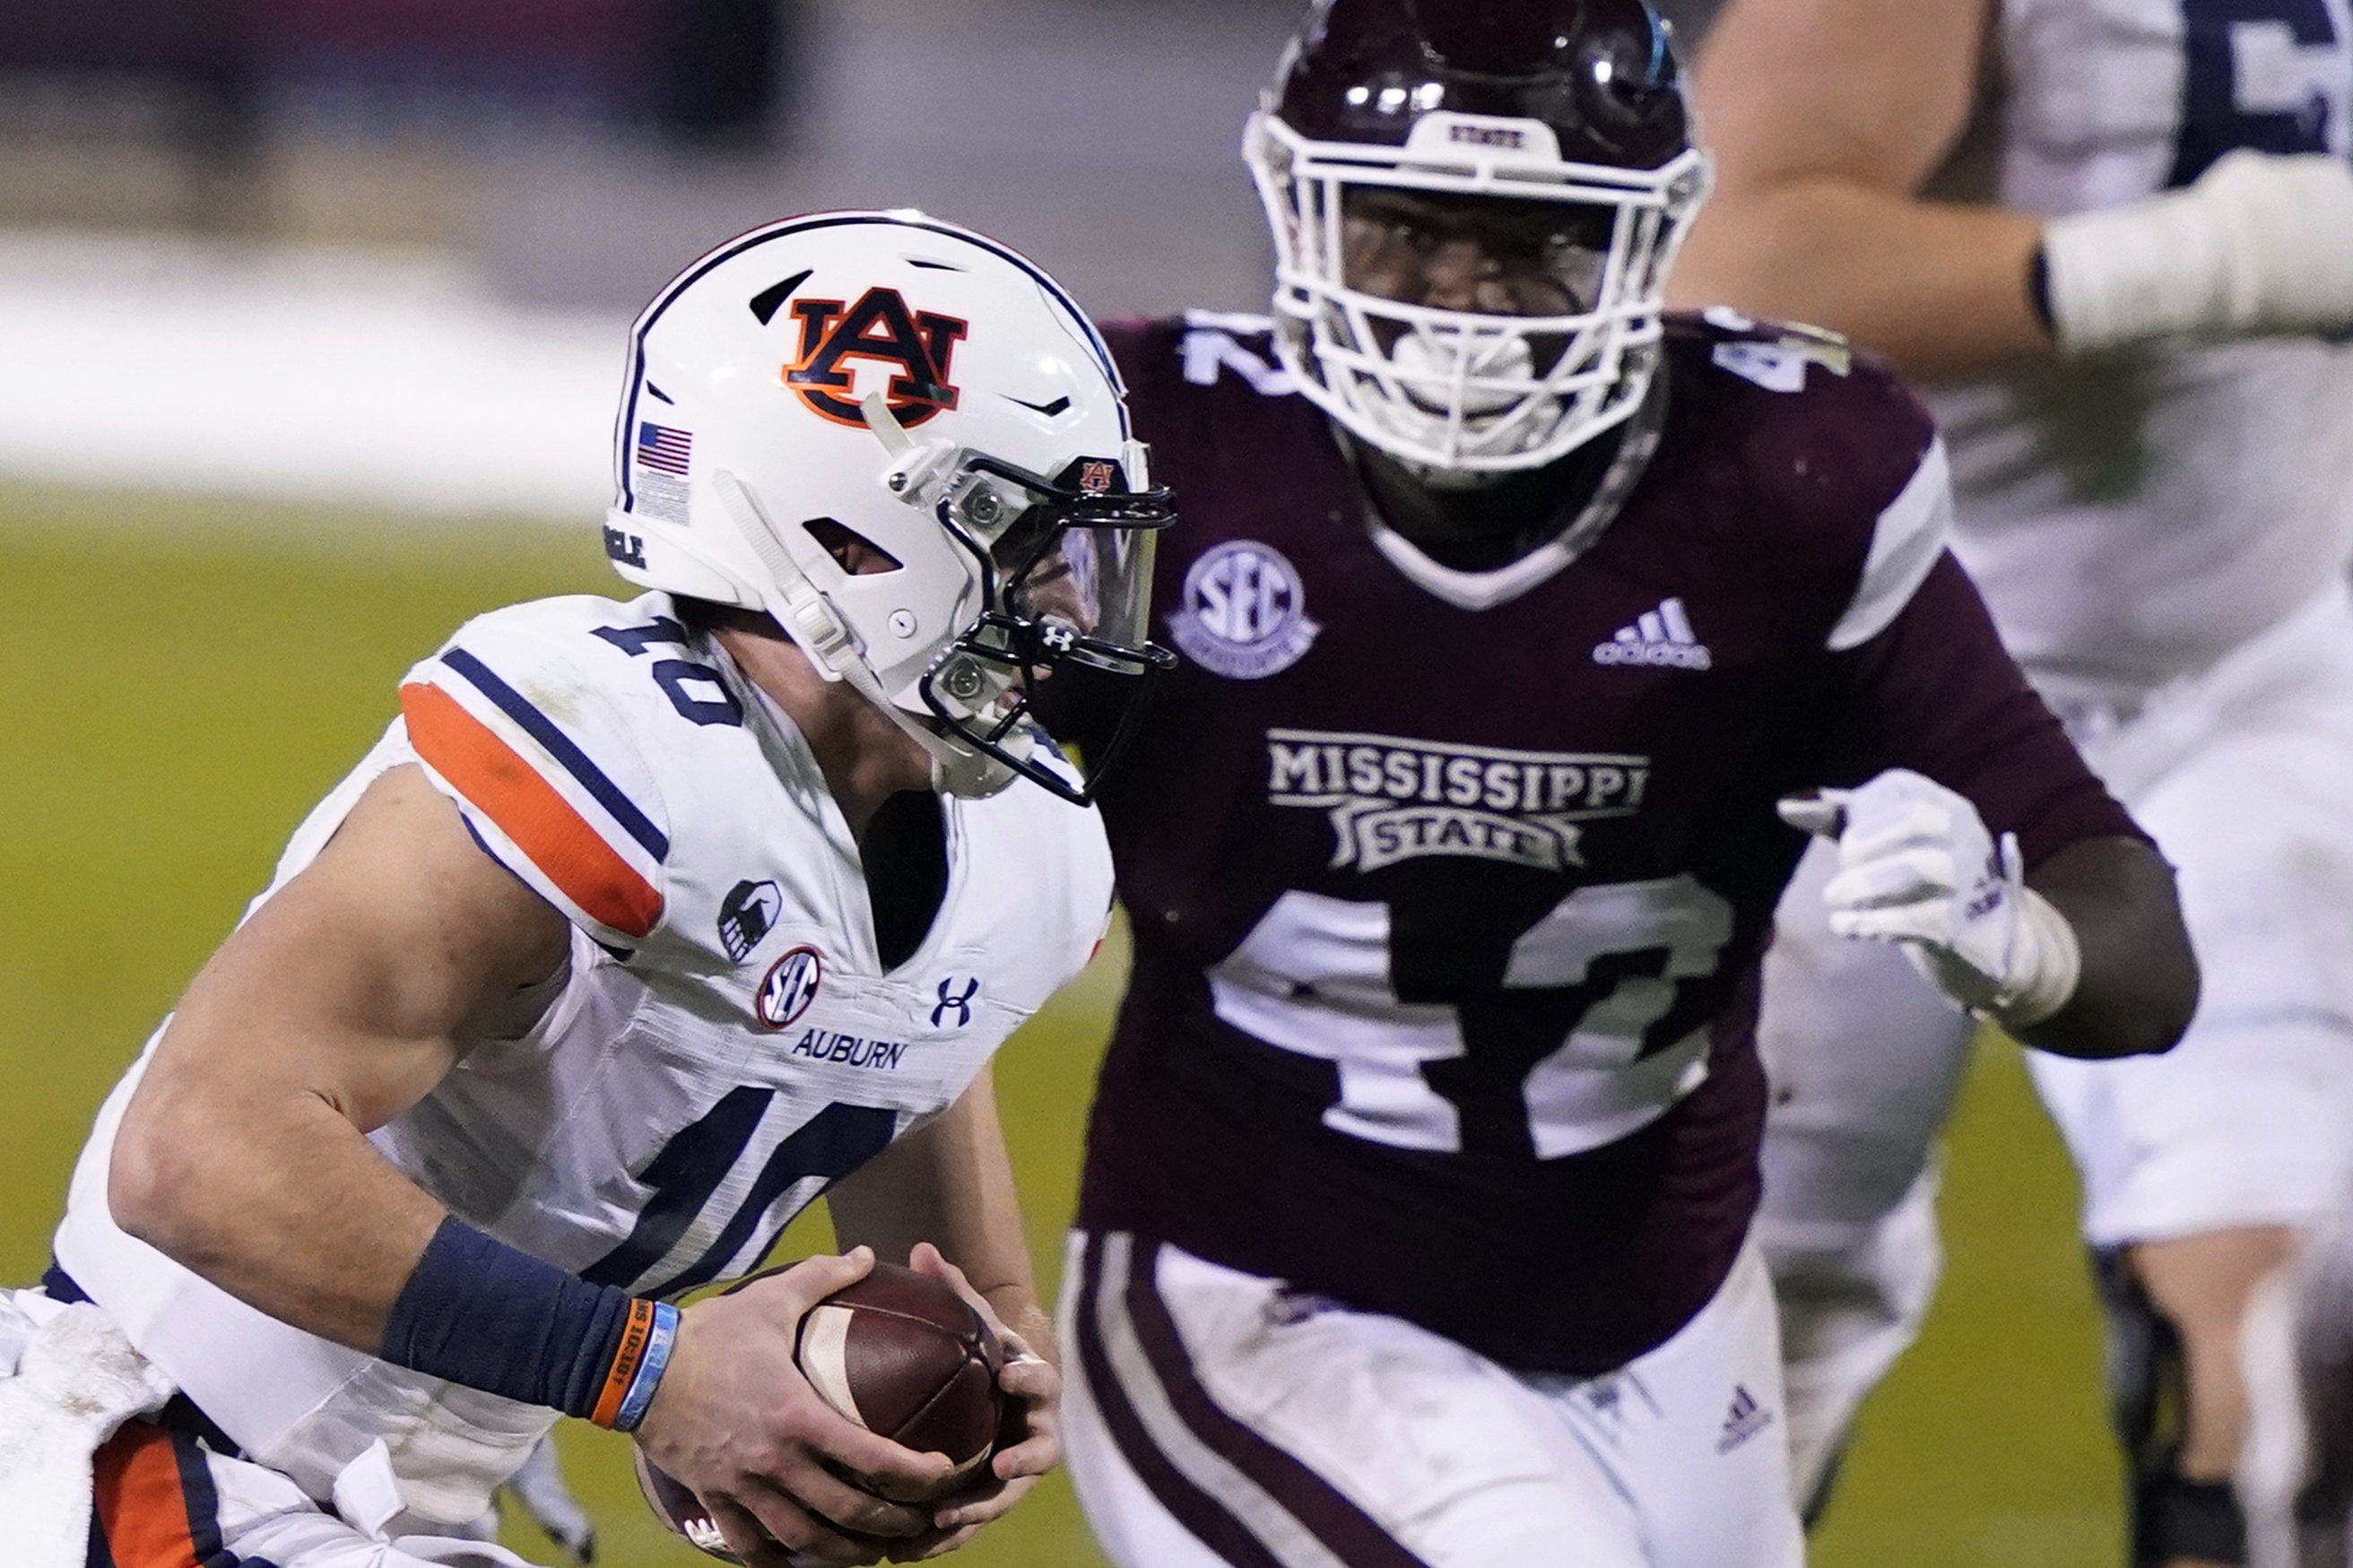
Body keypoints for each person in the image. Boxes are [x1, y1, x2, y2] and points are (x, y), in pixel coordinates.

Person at [1033, 3, 2200, 1565]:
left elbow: (2138, 943)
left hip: (1663, 1316)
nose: (1462, 302)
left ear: (1645, 244)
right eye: (1406, 231)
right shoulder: (1156, 456)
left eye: (1528, 241)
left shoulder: (1785, 479)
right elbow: (885, 857)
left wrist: (2024, 937)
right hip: (1263, 1291)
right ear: (1305, 208)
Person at [0, 211, 1180, 1568]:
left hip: (395, 1503)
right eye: (1026, 554)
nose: (1072, 617)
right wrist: (659, 1375)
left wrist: (962, 1393)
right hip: (143, 1450)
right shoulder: (616, 737)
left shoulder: (1013, 840)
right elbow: (196, 1151)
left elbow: (948, 1222)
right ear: (856, 535)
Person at [1665, 0, 2353, 1561]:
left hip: (2254, 660)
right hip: (1875, 681)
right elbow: (1727, 273)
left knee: (2282, 1380)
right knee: (1719, 1360)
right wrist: (2189, 262)